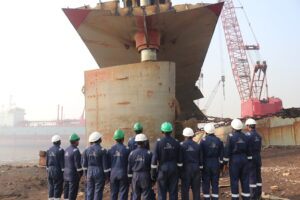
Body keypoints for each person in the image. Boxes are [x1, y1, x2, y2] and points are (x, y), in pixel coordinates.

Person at [151, 122, 182, 200]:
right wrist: (179, 172)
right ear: (171, 131)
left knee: (161, 192)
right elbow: (180, 159)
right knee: (173, 192)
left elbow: (154, 160)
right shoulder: (176, 142)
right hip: (174, 170)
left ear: (162, 131)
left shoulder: (158, 142)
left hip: (162, 170)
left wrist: (153, 174)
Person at [223, 119, 252, 200]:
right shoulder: (246, 136)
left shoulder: (231, 136)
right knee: (245, 180)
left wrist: (225, 163)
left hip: (234, 160)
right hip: (244, 159)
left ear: (233, 127)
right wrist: (249, 161)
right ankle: (246, 198)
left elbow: (227, 150)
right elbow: (249, 150)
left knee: (234, 180)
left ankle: (235, 198)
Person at [128, 122, 155, 200]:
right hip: (145, 173)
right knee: (146, 195)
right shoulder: (149, 153)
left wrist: (130, 177)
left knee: (135, 195)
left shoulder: (131, 146)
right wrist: (152, 177)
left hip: (135, 173)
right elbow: (151, 162)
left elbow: (129, 164)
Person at [82, 131, 110, 200]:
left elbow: (84, 164)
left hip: (89, 172)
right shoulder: (102, 150)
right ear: (99, 140)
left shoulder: (86, 150)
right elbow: (105, 166)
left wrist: (85, 174)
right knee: (98, 191)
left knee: (89, 191)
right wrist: (107, 177)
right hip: (99, 172)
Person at [200, 123, 224, 200]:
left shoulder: (203, 141)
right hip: (215, 163)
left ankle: (207, 198)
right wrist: (221, 166)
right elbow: (222, 155)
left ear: (206, 131)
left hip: (206, 163)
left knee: (206, 182)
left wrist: (201, 166)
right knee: (215, 183)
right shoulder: (219, 140)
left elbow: (201, 154)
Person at [107, 129, 131, 200]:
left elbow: (108, 164)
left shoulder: (110, 149)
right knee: (123, 194)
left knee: (113, 194)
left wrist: (108, 176)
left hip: (113, 174)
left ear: (115, 139)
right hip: (123, 174)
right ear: (123, 138)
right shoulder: (127, 149)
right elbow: (129, 163)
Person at [180, 127, 202, 200]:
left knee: (185, 190)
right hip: (196, 168)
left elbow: (180, 159)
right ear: (192, 135)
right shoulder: (197, 145)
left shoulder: (182, 145)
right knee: (196, 190)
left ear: (184, 135)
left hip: (186, 169)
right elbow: (200, 158)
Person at [245, 118, 262, 200]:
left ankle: (253, 196)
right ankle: (259, 194)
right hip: (258, 157)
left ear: (248, 126)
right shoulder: (259, 136)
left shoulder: (247, 136)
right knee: (258, 176)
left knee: (252, 177)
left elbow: (246, 149)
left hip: (251, 159)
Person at [64, 133, 83, 200]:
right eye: (78, 140)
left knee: (66, 192)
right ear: (75, 141)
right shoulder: (76, 151)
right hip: (73, 175)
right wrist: (81, 173)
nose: (78, 142)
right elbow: (78, 165)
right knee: (72, 192)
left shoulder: (66, 149)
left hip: (66, 175)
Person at [46, 135, 64, 200]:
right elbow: (62, 163)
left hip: (49, 170)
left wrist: (48, 170)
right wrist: (63, 172)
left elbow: (47, 163)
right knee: (57, 186)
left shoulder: (48, 150)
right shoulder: (60, 150)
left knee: (51, 187)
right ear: (59, 142)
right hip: (57, 170)